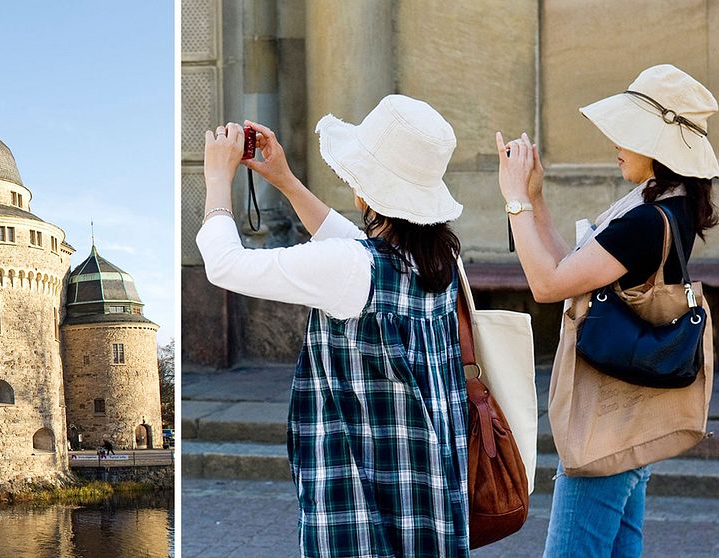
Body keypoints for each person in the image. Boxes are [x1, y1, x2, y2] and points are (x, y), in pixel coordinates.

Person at [198, 95, 469, 557]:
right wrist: (285, 181)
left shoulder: (352, 266)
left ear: (365, 190)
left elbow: (224, 265)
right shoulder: (441, 259)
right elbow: (350, 242)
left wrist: (217, 179)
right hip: (427, 475)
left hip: (359, 480)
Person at [495, 64, 718, 557]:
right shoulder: (664, 208)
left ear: (659, 146)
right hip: (631, 418)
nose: (615, 142)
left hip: (606, 428)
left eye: (627, 133)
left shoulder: (643, 221)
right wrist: (533, 197)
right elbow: (567, 267)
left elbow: (547, 283)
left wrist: (514, 199)